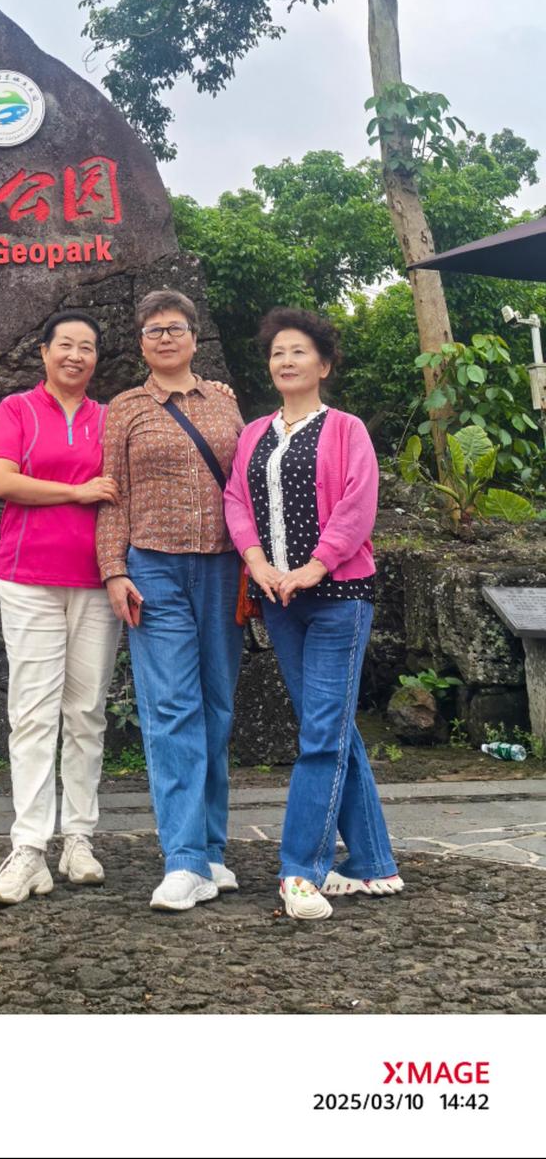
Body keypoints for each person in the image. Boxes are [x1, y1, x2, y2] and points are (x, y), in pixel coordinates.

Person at [223, 307, 403, 921]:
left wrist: (313, 567)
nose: (286, 361)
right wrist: (259, 564)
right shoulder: (254, 434)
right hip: (280, 602)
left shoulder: (347, 429)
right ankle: (375, 862)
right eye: (277, 353)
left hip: (337, 600)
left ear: (322, 364)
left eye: (298, 351)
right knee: (331, 730)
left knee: (320, 736)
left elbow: (358, 506)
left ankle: (301, 868)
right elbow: (236, 502)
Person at [97, 289, 244, 912]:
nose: (164, 337)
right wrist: (112, 570)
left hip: (223, 567)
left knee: (217, 706)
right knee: (170, 710)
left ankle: (211, 848)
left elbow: (244, 485)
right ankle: (182, 859)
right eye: (153, 329)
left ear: (193, 336)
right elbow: (112, 495)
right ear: (140, 342)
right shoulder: (125, 409)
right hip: (152, 569)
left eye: (175, 327)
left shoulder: (227, 405)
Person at [0, 311, 121, 905]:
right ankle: (29, 848)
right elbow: (3, 482)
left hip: (95, 581)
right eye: (65, 344)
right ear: (44, 353)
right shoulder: (17, 410)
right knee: (33, 713)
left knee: (87, 711)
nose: (76, 355)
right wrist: (77, 491)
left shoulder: (110, 418)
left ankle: (79, 838)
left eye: (87, 347)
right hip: (29, 577)